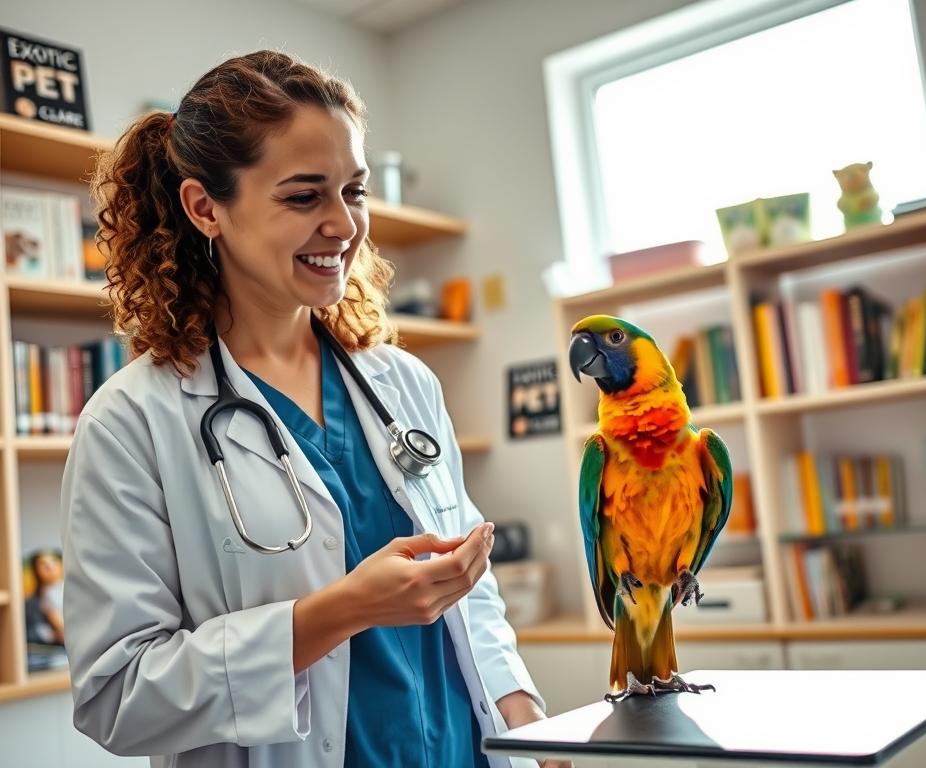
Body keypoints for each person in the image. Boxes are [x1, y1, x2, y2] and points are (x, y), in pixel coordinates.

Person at [60, 50, 571, 768]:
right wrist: (342, 610)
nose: (343, 225)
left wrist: (528, 727)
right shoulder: (132, 422)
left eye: (353, 191)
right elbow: (116, 698)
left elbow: (469, 598)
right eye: (304, 197)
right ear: (206, 207)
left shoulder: (403, 385)